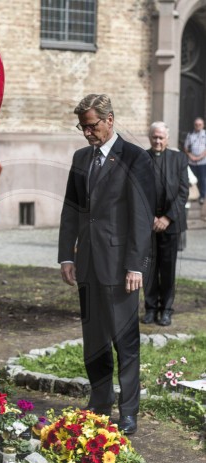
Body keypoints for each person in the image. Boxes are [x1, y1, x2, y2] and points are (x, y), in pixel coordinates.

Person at [58, 94, 155, 435]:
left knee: (125, 342)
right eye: (82, 127)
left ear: (110, 120)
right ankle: (100, 402)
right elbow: (71, 210)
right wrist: (67, 255)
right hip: (87, 266)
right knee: (94, 339)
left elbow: (141, 217)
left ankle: (128, 412)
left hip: (119, 268)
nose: (87, 133)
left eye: (92, 126)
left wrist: (136, 265)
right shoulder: (81, 158)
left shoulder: (135, 158)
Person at [142, 122, 189, 327]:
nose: (158, 141)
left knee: (168, 270)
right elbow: (137, 190)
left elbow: (183, 191)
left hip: (171, 224)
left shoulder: (179, 158)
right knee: (149, 269)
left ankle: (166, 310)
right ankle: (151, 309)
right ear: (149, 137)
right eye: (154, 137)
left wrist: (167, 218)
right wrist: (150, 216)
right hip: (148, 225)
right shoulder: (141, 158)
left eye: (161, 138)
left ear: (167, 139)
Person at [184, 117, 206, 205]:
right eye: (196, 125)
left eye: (200, 124)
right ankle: (193, 195)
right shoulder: (190, 135)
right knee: (192, 180)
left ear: (203, 125)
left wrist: (200, 157)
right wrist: (190, 156)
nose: (198, 126)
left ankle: (202, 196)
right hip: (192, 162)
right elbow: (186, 147)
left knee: (202, 179)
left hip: (202, 162)